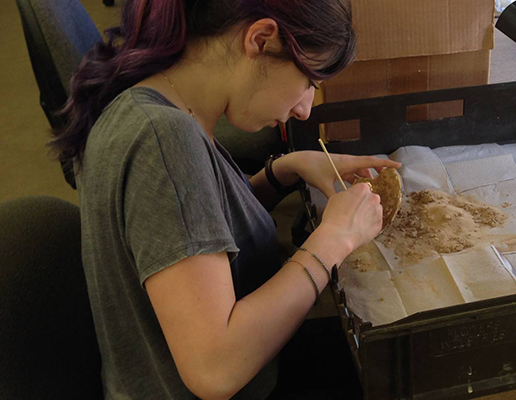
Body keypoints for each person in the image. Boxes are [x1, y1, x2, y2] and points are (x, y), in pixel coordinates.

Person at [51, 0, 400, 398]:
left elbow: (195, 230)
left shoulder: (153, 99)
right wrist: (336, 239)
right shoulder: (164, 140)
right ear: (260, 39)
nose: (305, 110)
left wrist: (284, 169)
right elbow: (215, 369)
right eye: (310, 84)